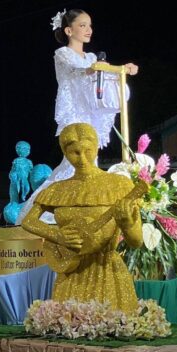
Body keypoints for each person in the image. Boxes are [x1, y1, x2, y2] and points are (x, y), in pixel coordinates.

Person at [16, 9, 139, 223]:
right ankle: (45, 213)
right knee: (73, 163)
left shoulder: (92, 57)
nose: (88, 30)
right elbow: (77, 71)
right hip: (74, 116)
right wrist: (93, 70)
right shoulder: (62, 54)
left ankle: (82, 211)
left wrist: (124, 69)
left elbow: (105, 71)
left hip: (91, 115)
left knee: (90, 164)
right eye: (82, 25)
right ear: (68, 30)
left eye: (89, 25)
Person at [20, 123, 144, 313]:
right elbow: (28, 221)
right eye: (75, 153)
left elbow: (136, 241)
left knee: (111, 327)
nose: (82, 158)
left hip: (107, 272)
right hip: (70, 272)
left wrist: (127, 224)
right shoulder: (57, 189)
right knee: (69, 330)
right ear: (65, 152)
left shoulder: (120, 184)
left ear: (97, 147)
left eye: (88, 150)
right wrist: (57, 235)